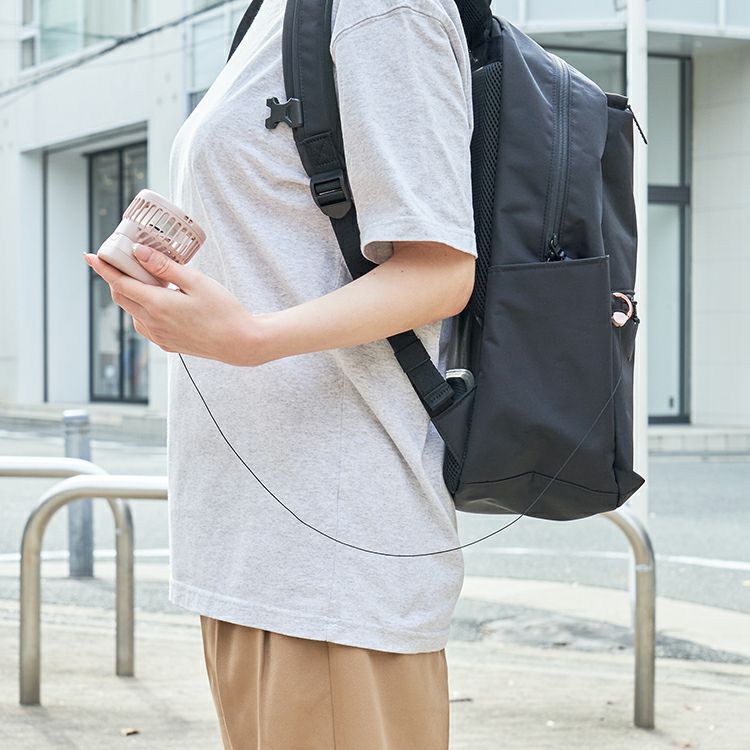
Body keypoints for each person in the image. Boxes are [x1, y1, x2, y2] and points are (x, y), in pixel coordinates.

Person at [84, 0, 477, 746]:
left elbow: (442, 270)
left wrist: (251, 337)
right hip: (250, 545)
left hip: (333, 557)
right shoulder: (270, 16)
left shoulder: (380, 8)